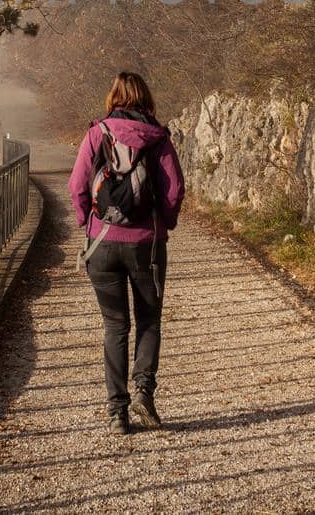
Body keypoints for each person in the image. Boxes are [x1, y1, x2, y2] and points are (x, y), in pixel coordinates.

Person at [68, 71, 184, 434]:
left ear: (114, 97)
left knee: (114, 325)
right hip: (146, 245)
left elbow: (76, 187)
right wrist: (164, 223)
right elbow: (174, 190)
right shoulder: (158, 138)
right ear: (145, 97)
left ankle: (117, 412)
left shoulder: (96, 133)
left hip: (102, 244)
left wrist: (86, 223)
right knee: (149, 320)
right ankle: (143, 393)